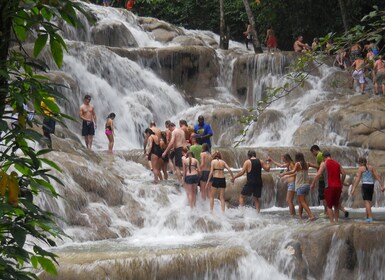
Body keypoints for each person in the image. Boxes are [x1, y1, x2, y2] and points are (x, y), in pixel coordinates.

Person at [310, 151, 346, 223]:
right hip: (338, 186)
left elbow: (318, 174)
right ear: (330, 156)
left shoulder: (324, 163)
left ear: (323, 157)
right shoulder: (337, 163)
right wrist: (341, 183)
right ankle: (336, 221)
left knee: (329, 206)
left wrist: (313, 184)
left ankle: (332, 222)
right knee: (336, 205)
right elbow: (344, 174)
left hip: (329, 186)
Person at [280, 152, 316, 222]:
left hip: (300, 185)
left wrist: (284, 173)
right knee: (301, 202)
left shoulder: (297, 164)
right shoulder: (307, 163)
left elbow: (293, 171)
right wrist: (319, 172)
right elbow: (317, 167)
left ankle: (311, 216)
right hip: (307, 185)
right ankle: (300, 216)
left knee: (302, 202)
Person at [351, 157, 383, 223]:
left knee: (366, 202)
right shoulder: (371, 167)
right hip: (371, 185)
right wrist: (382, 185)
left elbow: (358, 179)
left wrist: (353, 188)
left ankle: (370, 218)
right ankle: (367, 217)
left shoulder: (361, 169)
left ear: (360, 163)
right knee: (369, 202)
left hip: (365, 185)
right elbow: (377, 176)